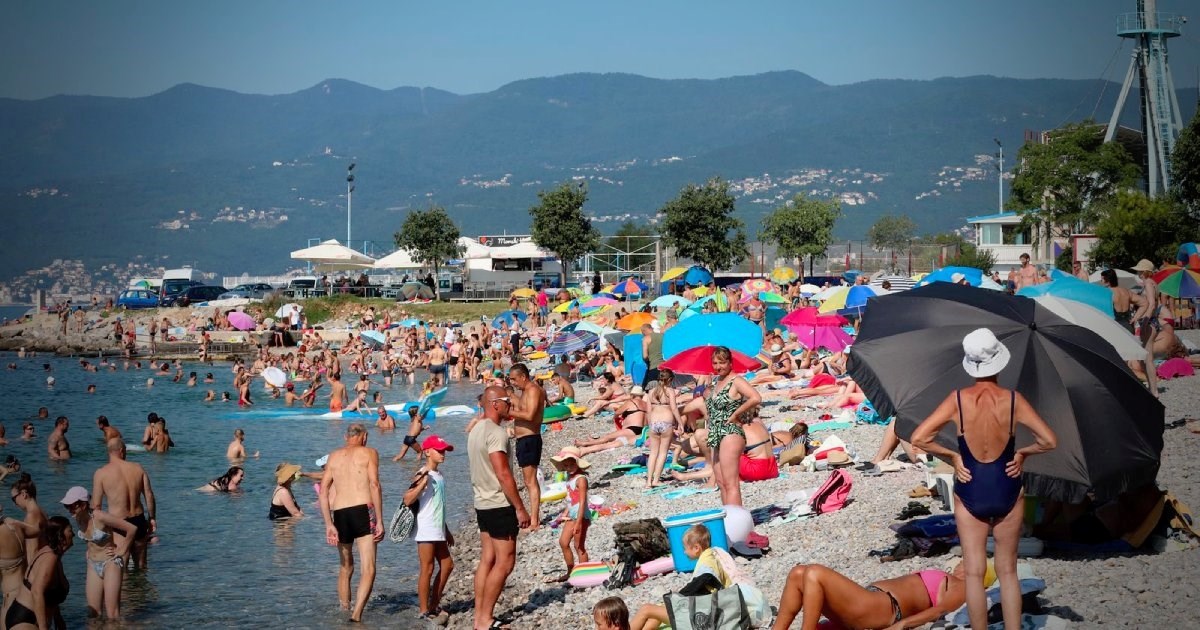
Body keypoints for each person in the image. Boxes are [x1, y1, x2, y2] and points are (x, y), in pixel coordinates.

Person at [911, 328, 1057, 630]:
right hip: (1007, 484)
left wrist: (952, 456)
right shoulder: (1014, 400)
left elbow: (919, 437)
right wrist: (1023, 454)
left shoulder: (958, 400)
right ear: (999, 361)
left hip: (970, 484)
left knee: (975, 573)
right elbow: (1049, 440)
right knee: (1007, 571)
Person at [468, 386, 530, 630]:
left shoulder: (475, 430)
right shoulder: (496, 432)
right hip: (498, 503)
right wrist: (520, 508)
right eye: (506, 400)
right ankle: (485, 619)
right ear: (494, 404)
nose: (510, 405)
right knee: (505, 562)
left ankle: (478, 617)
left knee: (487, 559)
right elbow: (503, 473)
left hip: (481, 502)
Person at [631, 524, 770, 629]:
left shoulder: (706, 562)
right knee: (659, 610)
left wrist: (680, 595)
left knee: (647, 609)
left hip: (703, 615)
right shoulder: (714, 555)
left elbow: (705, 579)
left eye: (686, 548)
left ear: (696, 548)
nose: (684, 552)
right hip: (712, 610)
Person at [771, 561, 974, 630]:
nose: (961, 561)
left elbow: (939, 611)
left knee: (815, 572)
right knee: (798, 573)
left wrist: (901, 626)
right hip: (868, 600)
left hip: (883, 609)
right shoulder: (948, 576)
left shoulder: (964, 586)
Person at [318, 423, 384, 623]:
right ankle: (356, 616)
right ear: (364, 437)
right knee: (369, 568)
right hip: (363, 509)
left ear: (346, 437)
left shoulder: (333, 456)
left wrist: (328, 523)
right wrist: (380, 520)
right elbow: (374, 484)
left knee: (346, 567)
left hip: (340, 513)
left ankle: (344, 609)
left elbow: (323, 492)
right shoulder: (370, 453)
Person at [680, 346, 760, 507]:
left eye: (722, 363)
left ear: (730, 363)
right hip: (715, 432)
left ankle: (736, 520)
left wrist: (736, 414)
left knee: (731, 483)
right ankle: (728, 518)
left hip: (730, 432)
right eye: (715, 363)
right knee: (721, 482)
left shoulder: (736, 380)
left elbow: (755, 397)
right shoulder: (716, 382)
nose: (718, 367)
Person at [61, 486, 136, 620]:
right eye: (67, 506)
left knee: (112, 615)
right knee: (93, 614)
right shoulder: (78, 518)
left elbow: (132, 529)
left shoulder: (100, 516)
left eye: (72, 506)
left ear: (83, 505)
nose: (69, 509)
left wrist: (121, 550)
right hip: (92, 564)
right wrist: (88, 551)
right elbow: (90, 539)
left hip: (110, 563)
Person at [402, 435, 455, 623]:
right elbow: (407, 499)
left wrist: (446, 530)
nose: (443, 454)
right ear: (427, 452)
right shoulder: (423, 473)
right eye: (439, 451)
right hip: (426, 527)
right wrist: (421, 485)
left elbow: (438, 504)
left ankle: (433, 604)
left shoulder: (438, 475)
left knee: (448, 565)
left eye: (444, 451)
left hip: (437, 527)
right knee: (428, 568)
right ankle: (424, 610)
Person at [91, 438, 157, 570]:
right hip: (139, 520)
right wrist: (152, 518)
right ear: (121, 451)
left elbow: (96, 508)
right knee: (141, 567)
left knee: (122, 568)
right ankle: (140, 591)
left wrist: (97, 536)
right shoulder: (138, 468)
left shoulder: (101, 473)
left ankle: (126, 591)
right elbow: (149, 495)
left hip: (119, 523)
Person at [6, 515, 72, 630]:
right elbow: (37, 591)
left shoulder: (55, 556)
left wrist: (58, 618)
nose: (74, 534)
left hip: (33, 618)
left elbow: (51, 592)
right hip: (24, 619)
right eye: (70, 530)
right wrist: (43, 628)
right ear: (60, 535)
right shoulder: (50, 557)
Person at [506, 363, 546, 531]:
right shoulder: (524, 392)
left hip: (530, 439)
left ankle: (535, 521)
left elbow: (529, 415)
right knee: (528, 480)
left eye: (514, 379)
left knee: (530, 482)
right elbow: (523, 408)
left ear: (523, 376)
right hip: (524, 440)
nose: (513, 382)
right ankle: (533, 518)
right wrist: (511, 397)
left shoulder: (533, 390)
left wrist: (507, 411)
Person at [544, 447, 591, 584]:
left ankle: (584, 574)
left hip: (581, 516)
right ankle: (570, 571)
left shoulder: (581, 479)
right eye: (566, 465)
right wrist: (563, 514)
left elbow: (582, 502)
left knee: (579, 546)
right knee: (563, 542)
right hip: (572, 514)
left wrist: (578, 523)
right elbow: (571, 499)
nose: (569, 468)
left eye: (571, 464)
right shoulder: (569, 477)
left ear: (577, 463)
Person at [644, 369, 682, 488]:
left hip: (654, 423)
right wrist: (680, 423)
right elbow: (674, 409)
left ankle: (648, 482)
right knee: (663, 453)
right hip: (666, 423)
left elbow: (648, 411)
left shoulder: (651, 392)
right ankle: (656, 480)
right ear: (670, 380)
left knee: (653, 452)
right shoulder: (670, 391)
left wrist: (649, 425)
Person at [1131, 259, 1161, 396]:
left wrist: (1145, 321)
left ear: (1144, 271)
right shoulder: (1154, 283)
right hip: (1153, 321)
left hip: (1149, 322)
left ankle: (1153, 391)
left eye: (1139, 271)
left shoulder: (1148, 283)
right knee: (1146, 357)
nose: (1138, 273)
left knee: (1148, 358)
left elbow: (1152, 304)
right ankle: (1151, 388)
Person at [10, 474, 49, 564]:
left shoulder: (31, 516)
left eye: (14, 499)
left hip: (37, 567)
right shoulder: (42, 512)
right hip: (44, 563)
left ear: (23, 494)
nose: (14, 504)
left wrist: (28, 575)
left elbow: (33, 551)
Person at [639, 323, 664, 389]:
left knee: (650, 390)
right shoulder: (662, 336)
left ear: (644, 331)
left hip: (654, 366)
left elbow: (645, 356)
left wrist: (646, 362)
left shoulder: (646, 339)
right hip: (665, 365)